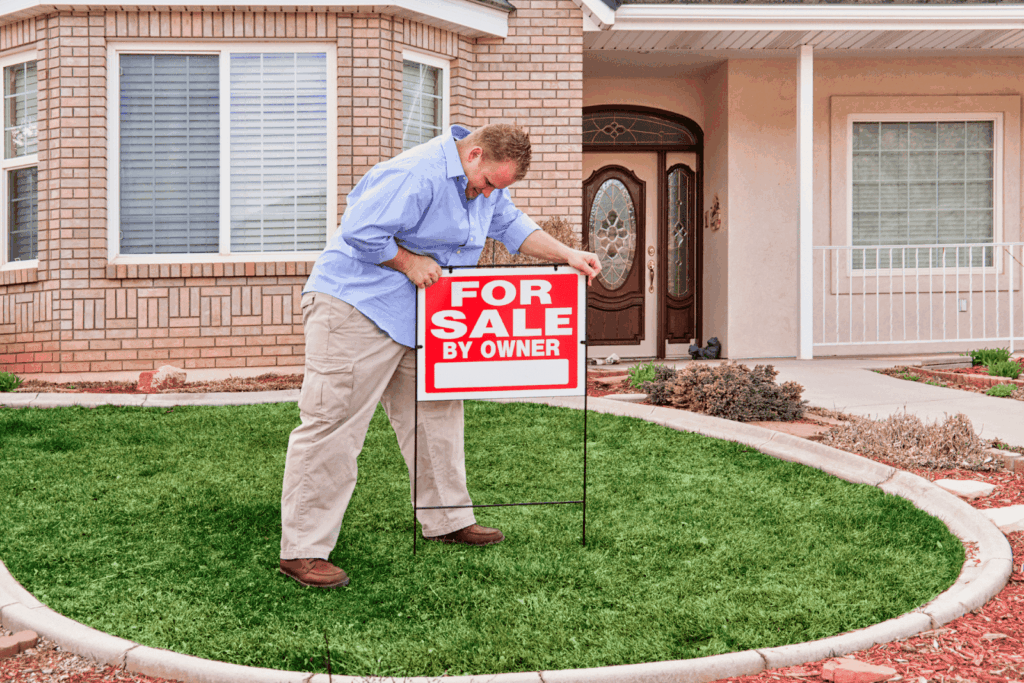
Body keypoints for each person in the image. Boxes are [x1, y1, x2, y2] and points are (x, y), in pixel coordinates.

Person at [279, 123, 602, 588]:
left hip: (418, 314)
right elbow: (359, 230)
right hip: (355, 306)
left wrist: (567, 253)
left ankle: (447, 519)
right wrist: (409, 262)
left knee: (437, 412)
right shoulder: (417, 173)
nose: (488, 194)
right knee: (334, 422)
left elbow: (510, 225)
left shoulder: (486, 186)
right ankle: (303, 550)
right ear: (473, 156)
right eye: (489, 183)